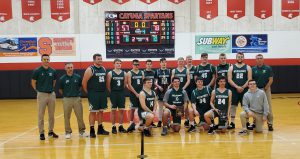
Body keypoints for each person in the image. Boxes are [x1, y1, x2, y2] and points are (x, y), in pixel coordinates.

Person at [31, 54, 58, 140]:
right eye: (44, 59)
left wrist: (51, 90)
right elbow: (33, 82)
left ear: (49, 60)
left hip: (51, 94)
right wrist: (38, 91)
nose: (46, 61)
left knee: (51, 115)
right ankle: (41, 133)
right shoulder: (37, 70)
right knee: (41, 115)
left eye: (47, 59)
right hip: (42, 94)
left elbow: (54, 82)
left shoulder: (53, 71)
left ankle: (50, 131)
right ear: (41, 60)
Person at [82, 54, 109, 138]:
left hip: (102, 93)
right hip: (94, 93)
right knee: (93, 112)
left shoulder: (103, 68)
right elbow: (84, 82)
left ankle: (100, 128)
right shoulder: (90, 69)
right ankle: (92, 130)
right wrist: (89, 92)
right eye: (98, 59)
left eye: (101, 59)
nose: (100, 60)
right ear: (94, 60)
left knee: (101, 111)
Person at [59, 62, 88, 139]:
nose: (70, 69)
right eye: (68, 68)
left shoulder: (78, 77)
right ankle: (68, 132)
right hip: (67, 99)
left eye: (71, 67)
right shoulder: (62, 79)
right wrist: (66, 95)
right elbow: (60, 90)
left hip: (77, 99)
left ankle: (82, 131)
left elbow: (80, 87)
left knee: (80, 116)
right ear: (65, 69)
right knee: (66, 116)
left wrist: (76, 94)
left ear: (73, 68)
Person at [227, 52, 252, 129]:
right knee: (233, 106)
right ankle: (232, 122)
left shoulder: (248, 67)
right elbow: (229, 79)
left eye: (241, 57)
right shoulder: (231, 67)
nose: (240, 58)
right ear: (236, 58)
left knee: (245, 106)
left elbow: (249, 79)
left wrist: (243, 87)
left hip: (245, 90)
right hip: (234, 90)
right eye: (238, 57)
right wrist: (237, 87)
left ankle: (247, 122)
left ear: (243, 58)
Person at [252, 54, 274, 131]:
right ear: (256, 60)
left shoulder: (268, 68)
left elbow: (271, 79)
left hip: (266, 89)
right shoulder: (253, 69)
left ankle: (270, 123)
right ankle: (254, 122)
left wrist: (266, 88)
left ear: (263, 59)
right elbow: (252, 80)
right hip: (256, 90)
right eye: (258, 58)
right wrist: (255, 89)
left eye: (261, 58)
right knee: (255, 107)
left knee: (268, 107)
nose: (259, 59)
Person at [106, 59, 127, 134]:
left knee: (121, 110)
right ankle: (113, 126)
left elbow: (124, 84)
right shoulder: (110, 73)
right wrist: (112, 92)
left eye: (120, 63)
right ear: (114, 64)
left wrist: (120, 91)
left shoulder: (124, 73)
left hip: (121, 93)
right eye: (117, 63)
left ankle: (120, 126)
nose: (118, 64)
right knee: (113, 110)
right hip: (113, 93)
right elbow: (108, 85)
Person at [171, 57, 190, 127]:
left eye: (182, 61)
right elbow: (172, 80)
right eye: (180, 61)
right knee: (176, 103)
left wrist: (183, 88)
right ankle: (175, 120)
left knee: (186, 105)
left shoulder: (187, 70)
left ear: (184, 62)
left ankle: (187, 120)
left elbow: (188, 80)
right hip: (176, 90)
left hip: (184, 90)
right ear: (177, 62)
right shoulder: (174, 70)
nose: (181, 62)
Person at [126, 59, 144, 132]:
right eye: (135, 64)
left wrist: (142, 93)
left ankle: (141, 122)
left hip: (141, 93)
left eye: (137, 64)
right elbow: (129, 84)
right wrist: (136, 93)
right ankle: (131, 123)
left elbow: (143, 83)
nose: (136, 66)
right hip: (133, 94)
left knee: (141, 108)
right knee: (132, 109)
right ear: (132, 65)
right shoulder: (129, 73)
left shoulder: (141, 72)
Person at [154, 58, 171, 127]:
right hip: (160, 91)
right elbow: (155, 82)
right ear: (160, 63)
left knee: (168, 107)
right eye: (162, 62)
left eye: (165, 62)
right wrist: (158, 86)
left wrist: (169, 87)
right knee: (160, 107)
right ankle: (160, 121)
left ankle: (168, 121)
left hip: (167, 91)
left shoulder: (169, 71)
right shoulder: (157, 71)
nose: (164, 63)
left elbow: (172, 81)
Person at [185, 55, 197, 127]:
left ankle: (193, 119)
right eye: (188, 59)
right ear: (186, 60)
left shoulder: (195, 68)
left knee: (193, 105)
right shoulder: (184, 68)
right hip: (186, 89)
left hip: (193, 88)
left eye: (190, 59)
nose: (189, 60)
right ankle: (186, 119)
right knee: (186, 105)